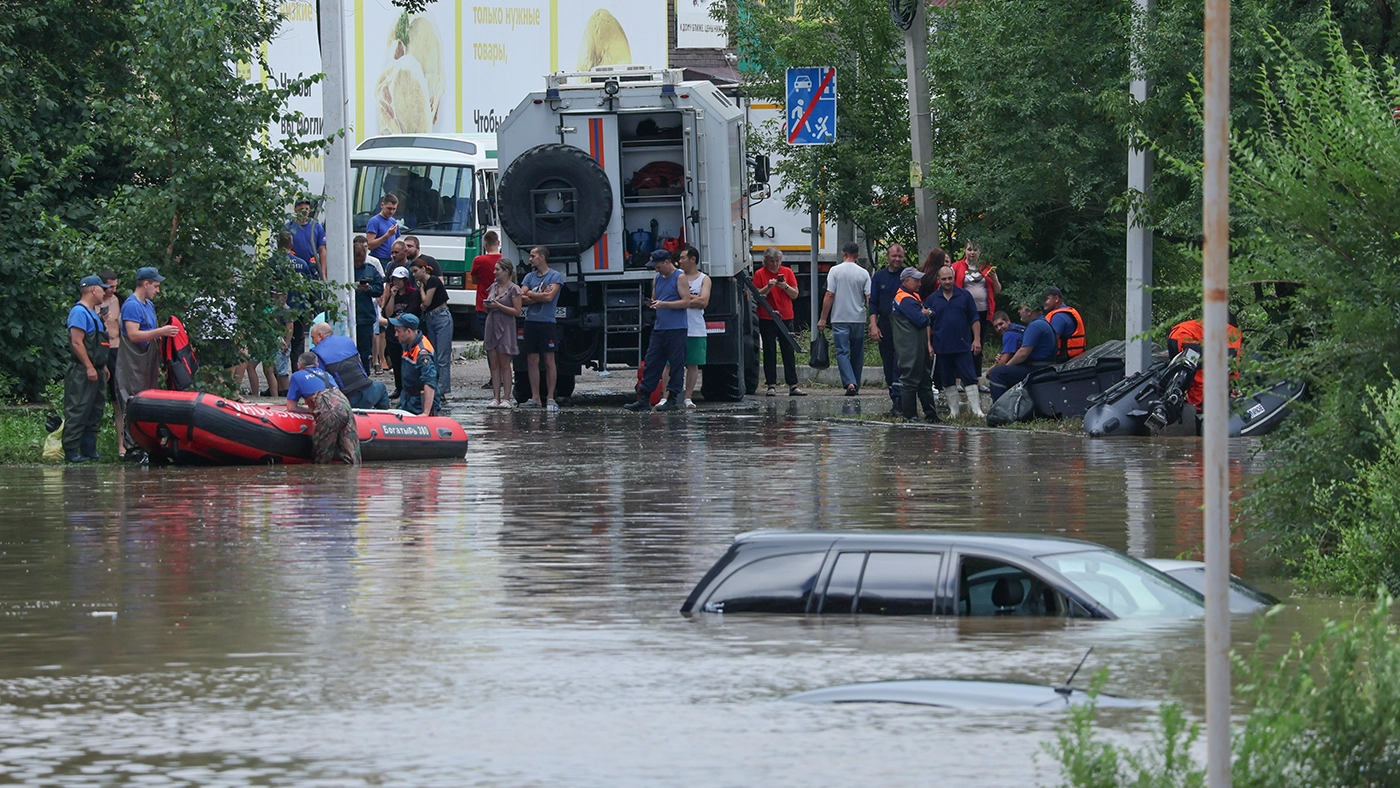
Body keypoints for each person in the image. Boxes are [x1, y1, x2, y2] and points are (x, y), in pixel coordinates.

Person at [116, 266, 179, 459]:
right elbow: (134, 334)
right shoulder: (132, 305)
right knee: (131, 401)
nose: (158, 290)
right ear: (146, 284)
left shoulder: (149, 305)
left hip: (148, 362)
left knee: (147, 401)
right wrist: (162, 331)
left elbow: (150, 333)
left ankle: (147, 444)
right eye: (156, 286)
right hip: (132, 363)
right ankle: (131, 447)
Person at [625, 250, 691, 412]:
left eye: (658, 265)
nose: (656, 269)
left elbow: (686, 302)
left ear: (667, 261)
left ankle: (673, 398)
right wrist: (653, 304)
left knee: (676, 364)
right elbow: (656, 298)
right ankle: (644, 398)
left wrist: (664, 304)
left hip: (676, 328)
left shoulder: (680, 277)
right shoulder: (657, 279)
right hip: (660, 328)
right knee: (652, 363)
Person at [63, 275, 110, 462]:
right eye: (102, 288)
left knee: (95, 410)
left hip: (97, 368)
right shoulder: (79, 312)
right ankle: (72, 451)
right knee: (78, 408)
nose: (104, 292)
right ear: (92, 289)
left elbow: (99, 345)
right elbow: (76, 342)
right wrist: (89, 367)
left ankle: (89, 450)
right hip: (83, 370)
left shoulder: (93, 313)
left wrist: (102, 366)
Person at [926, 266, 984, 418]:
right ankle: (954, 412)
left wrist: (976, 339)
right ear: (938, 280)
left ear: (954, 278)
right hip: (941, 346)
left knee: (970, 377)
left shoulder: (965, 295)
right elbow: (927, 323)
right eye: (943, 279)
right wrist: (928, 344)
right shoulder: (932, 299)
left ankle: (977, 410)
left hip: (963, 345)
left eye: (949, 278)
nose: (947, 281)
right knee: (947, 379)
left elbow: (975, 319)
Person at [286, 351, 361, 465]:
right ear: (317, 365)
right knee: (353, 458)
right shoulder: (326, 374)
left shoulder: (297, 376)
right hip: (345, 406)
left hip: (328, 411)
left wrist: (310, 410)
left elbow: (291, 407)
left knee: (321, 460)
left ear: (298, 366)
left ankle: (322, 481)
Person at [817, 241, 872, 396]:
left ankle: (849, 383)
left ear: (843, 254)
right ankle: (856, 383)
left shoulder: (835, 271)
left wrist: (822, 318)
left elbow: (830, 294)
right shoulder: (863, 273)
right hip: (858, 318)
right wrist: (873, 320)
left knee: (842, 351)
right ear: (857, 256)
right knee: (857, 353)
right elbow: (869, 297)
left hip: (839, 318)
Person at [753, 247, 805, 397]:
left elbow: (795, 294)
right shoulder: (760, 274)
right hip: (767, 316)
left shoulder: (787, 272)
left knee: (788, 350)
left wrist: (785, 286)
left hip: (786, 315)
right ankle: (771, 384)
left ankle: (793, 384)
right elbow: (756, 296)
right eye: (771, 261)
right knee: (769, 350)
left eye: (777, 261)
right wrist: (768, 286)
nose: (775, 264)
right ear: (765, 261)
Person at [519, 245, 564, 411]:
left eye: (533, 256)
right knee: (532, 360)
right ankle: (535, 397)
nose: (530, 259)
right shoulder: (529, 277)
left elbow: (549, 297)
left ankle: (550, 397)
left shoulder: (555, 276)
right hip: (531, 322)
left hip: (547, 323)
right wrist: (537, 295)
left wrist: (531, 293)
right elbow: (520, 298)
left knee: (549, 360)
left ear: (542, 257)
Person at [890, 268, 938, 421]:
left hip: (917, 345)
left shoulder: (913, 296)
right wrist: (927, 313)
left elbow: (930, 314)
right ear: (906, 281)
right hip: (909, 346)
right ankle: (910, 416)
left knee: (924, 379)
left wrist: (927, 313)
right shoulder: (905, 299)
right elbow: (921, 320)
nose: (920, 283)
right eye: (916, 280)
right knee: (910, 380)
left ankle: (930, 415)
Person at [309, 322, 391, 409]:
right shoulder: (347, 340)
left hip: (346, 400)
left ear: (320, 336)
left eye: (313, 338)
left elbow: (319, 382)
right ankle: (384, 415)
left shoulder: (316, 353)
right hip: (367, 390)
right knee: (381, 388)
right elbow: (360, 364)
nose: (312, 342)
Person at [951, 240, 1002, 377]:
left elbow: (997, 290)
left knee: (978, 345)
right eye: (969, 249)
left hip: (983, 311)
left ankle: (977, 378)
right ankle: (958, 378)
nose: (972, 252)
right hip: (963, 312)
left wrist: (995, 278)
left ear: (979, 252)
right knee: (962, 343)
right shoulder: (956, 267)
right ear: (964, 250)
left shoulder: (986, 267)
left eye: (975, 250)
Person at [1167, 317, 1243, 407]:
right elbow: (1232, 366)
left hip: (1176, 336)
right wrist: (1236, 386)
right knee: (1201, 376)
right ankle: (1197, 408)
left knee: (1184, 376)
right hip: (1184, 338)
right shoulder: (1235, 336)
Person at [987, 305, 1058, 401]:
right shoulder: (1032, 325)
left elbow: (1022, 353)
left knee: (997, 373)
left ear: (1029, 311)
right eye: (996, 326)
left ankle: (1000, 409)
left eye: (1021, 309)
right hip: (1045, 366)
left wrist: (1000, 368)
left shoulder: (1034, 326)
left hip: (1038, 368)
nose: (1019, 311)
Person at [868, 244, 906, 413]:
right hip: (884, 325)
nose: (897, 259)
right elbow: (873, 303)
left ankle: (901, 402)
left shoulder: (907, 275)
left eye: (900, 257)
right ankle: (894, 400)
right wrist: (873, 325)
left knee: (900, 363)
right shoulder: (879, 276)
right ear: (887, 257)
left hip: (903, 326)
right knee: (888, 364)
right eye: (894, 256)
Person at [482, 257, 522, 408]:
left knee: (505, 363)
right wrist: (487, 306)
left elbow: (516, 311)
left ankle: (506, 398)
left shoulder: (514, 289)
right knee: (494, 363)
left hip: (506, 326)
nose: (494, 272)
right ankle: (495, 397)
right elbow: (488, 306)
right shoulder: (493, 287)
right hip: (491, 324)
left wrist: (498, 305)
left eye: (497, 269)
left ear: (506, 271)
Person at [412, 259, 453, 405]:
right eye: (412, 272)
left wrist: (421, 290)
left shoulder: (433, 281)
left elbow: (426, 302)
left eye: (416, 271)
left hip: (441, 316)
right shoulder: (425, 283)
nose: (414, 274)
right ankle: (434, 388)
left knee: (442, 356)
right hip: (430, 317)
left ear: (424, 269)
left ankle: (442, 391)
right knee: (433, 354)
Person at [677, 245, 711, 408]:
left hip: (696, 327)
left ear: (693, 259)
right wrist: (692, 299)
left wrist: (683, 297)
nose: (680, 261)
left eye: (683, 258)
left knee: (693, 364)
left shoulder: (704, 279)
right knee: (669, 364)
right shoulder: (676, 276)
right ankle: (666, 397)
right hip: (676, 326)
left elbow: (703, 302)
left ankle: (688, 397)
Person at [280, 231, 321, 361]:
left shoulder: (271, 264)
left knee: (278, 345)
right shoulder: (302, 264)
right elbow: (309, 288)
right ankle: (297, 372)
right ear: (291, 244)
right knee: (298, 343)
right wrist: (312, 310)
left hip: (277, 311)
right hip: (299, 309)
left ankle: (279, 378)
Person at [97, 269, 125, 457]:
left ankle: (122, 447)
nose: (112, 290)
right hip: (99, 349)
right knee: (95, 400)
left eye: (115, 286)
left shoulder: (120, 301)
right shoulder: (91, 303)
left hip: (117, 350)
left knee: (119, 401)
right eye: (109, 286)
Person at [381, 266, 419, 401]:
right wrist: (392, 295)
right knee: (396, 363)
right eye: (394, 280)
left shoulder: (413, 294)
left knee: (407, 363)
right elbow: (387, 313)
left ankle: (408, 388)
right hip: (393, 333)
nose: (397, 282)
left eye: (399, 280)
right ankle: (399, 387)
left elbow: (411, 312)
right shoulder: (393, 295)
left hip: (406, 333)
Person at [390, 313, 439, 416]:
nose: (396, 335)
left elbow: (430, 381)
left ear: (408, 331)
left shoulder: (422, 352)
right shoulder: (408, 344)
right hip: (408, 400)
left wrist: (425, 412)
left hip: (419, 403)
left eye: (398, 331)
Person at [353, 243, 385, 373]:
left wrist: (369, 289)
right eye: (356, 260)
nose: (359, 263)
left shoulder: (371, 270)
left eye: (361, 260)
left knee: (364, 352)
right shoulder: (345, 269)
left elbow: (379, 289)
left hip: (365, 316)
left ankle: (365, 375)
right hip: (349, 315)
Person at [470, 230, 504, 340]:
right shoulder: (505, 260)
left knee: (488, 339)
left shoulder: (479, 260)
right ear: (498, 242)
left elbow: (474, 280)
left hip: (483, 304)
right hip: (503, 304)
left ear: (485, 244)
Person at [286, 198, 328, 280]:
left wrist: (322, 273)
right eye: (301, 209)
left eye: (307, 209)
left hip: (312, 268)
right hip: (294, 268)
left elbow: (322, 250)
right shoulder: (288, 227)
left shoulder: (316, 227)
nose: (304, 211)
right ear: (295, 210)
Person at [1042, 287, 1087, 361]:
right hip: (1076, 357)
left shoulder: (1058, 317)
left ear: (1056, 299)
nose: (1043, 302)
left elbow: (1050, 342)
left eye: (1046, 299)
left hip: (1063, 361)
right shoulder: (1067, 311)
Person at [364, 193, 401, 266]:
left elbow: (396, 240)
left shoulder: (393, 221)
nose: (391, 212)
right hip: (378, 259)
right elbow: (370, 245)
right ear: (382, 205)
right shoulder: (374, 221)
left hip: (391, 260)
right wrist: (387, 235)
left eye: (394, 209)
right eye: (389, 208)